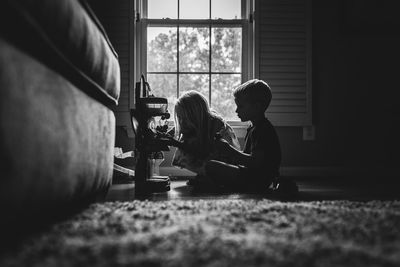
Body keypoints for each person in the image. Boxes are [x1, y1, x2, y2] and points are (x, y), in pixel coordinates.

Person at [205, 79, 298, 194]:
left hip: (257, 179)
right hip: (251, 175)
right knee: (214, 162)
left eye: (241, 106)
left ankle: (222, 185)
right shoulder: (254, 127)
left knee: (211, 166)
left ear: (257, 106)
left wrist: (229, 150)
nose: (236, 110)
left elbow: (255, 163)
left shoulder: (263, 130)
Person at [170, 90, 240, 182]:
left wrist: (176, 143)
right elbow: (176, 130)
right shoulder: (194, 123)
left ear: (196, 115)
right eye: (179, 118)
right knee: (185, 137)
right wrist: (166, 135)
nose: (182, 122)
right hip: (207, 153)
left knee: (185, 144)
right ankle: (206, 175)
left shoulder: (215, 124)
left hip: (225, 163)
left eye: (186, 118)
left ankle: (212, 178)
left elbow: (203, 150)